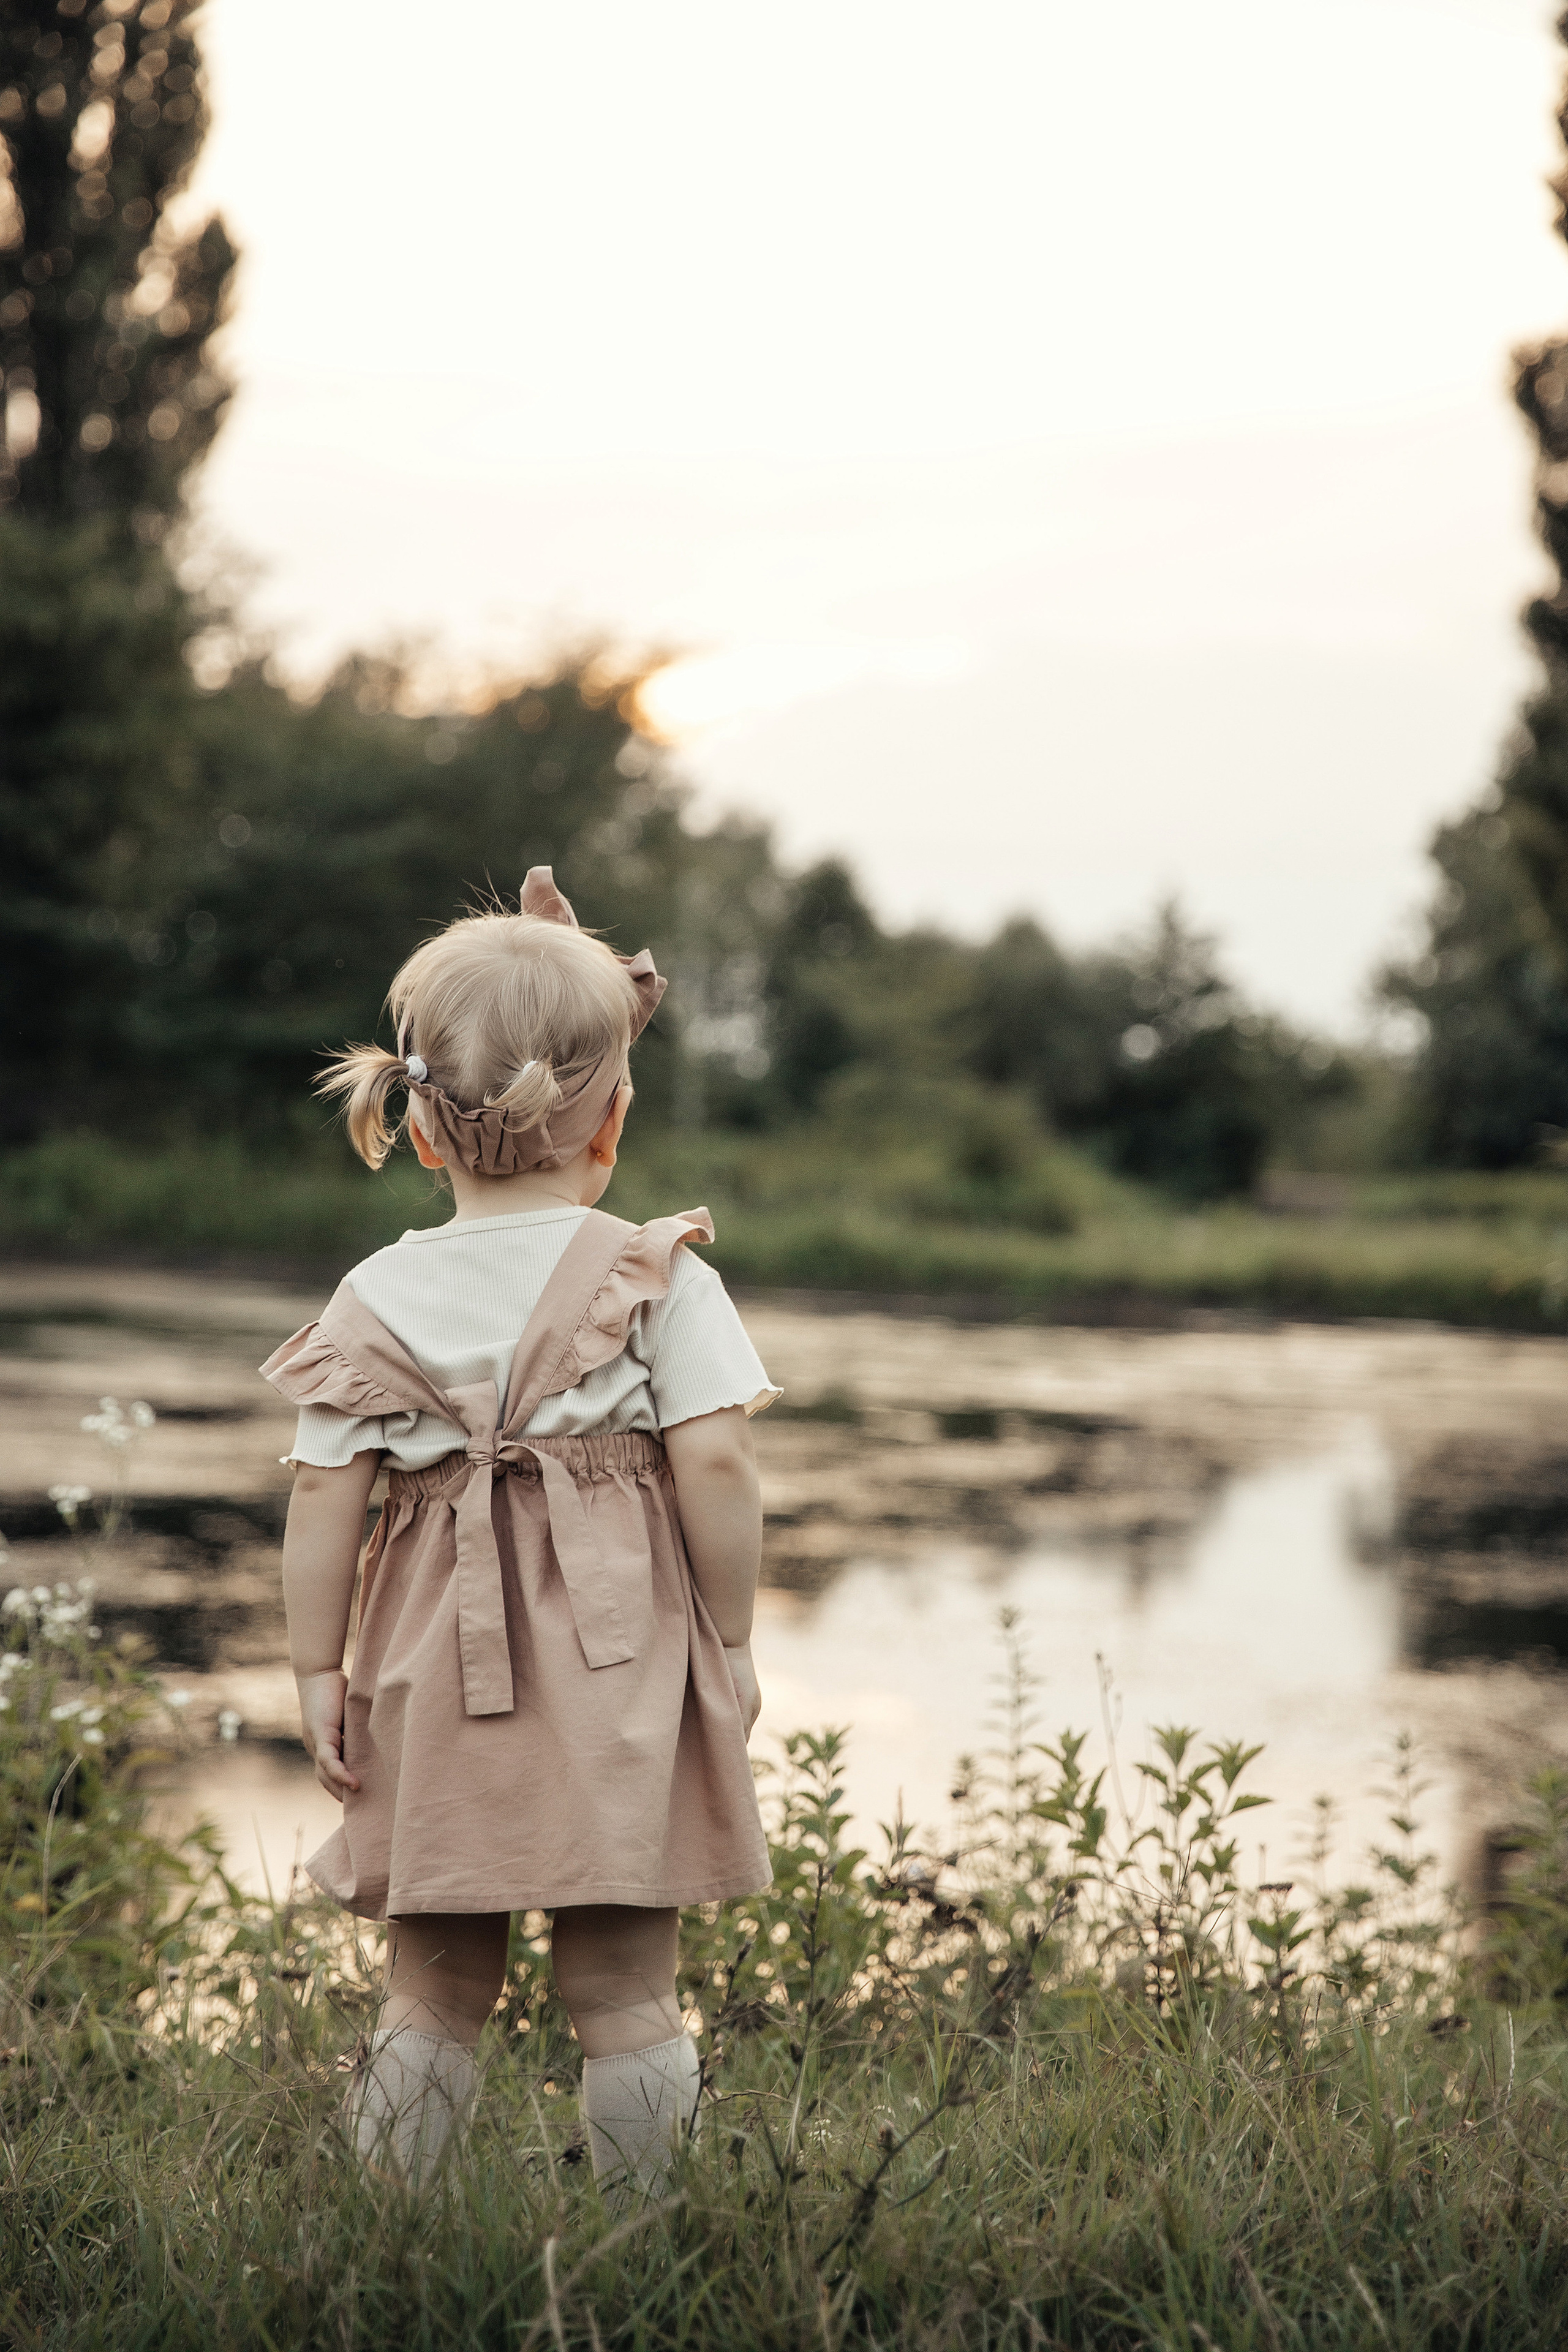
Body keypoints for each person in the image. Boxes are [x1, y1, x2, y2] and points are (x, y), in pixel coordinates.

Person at [259, 867, 776, 2196]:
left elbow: (327, 1495)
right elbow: (713, 1458)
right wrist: (728, 1634)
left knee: (431, 1984)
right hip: (616, 1660)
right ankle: (639, 2237)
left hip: (434, 1661)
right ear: (612, 1119)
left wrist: (319, 1670)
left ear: (421, 1131)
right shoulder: (653, 1270)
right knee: (622, 1983)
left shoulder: (374, 1292)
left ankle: (392, 2230)